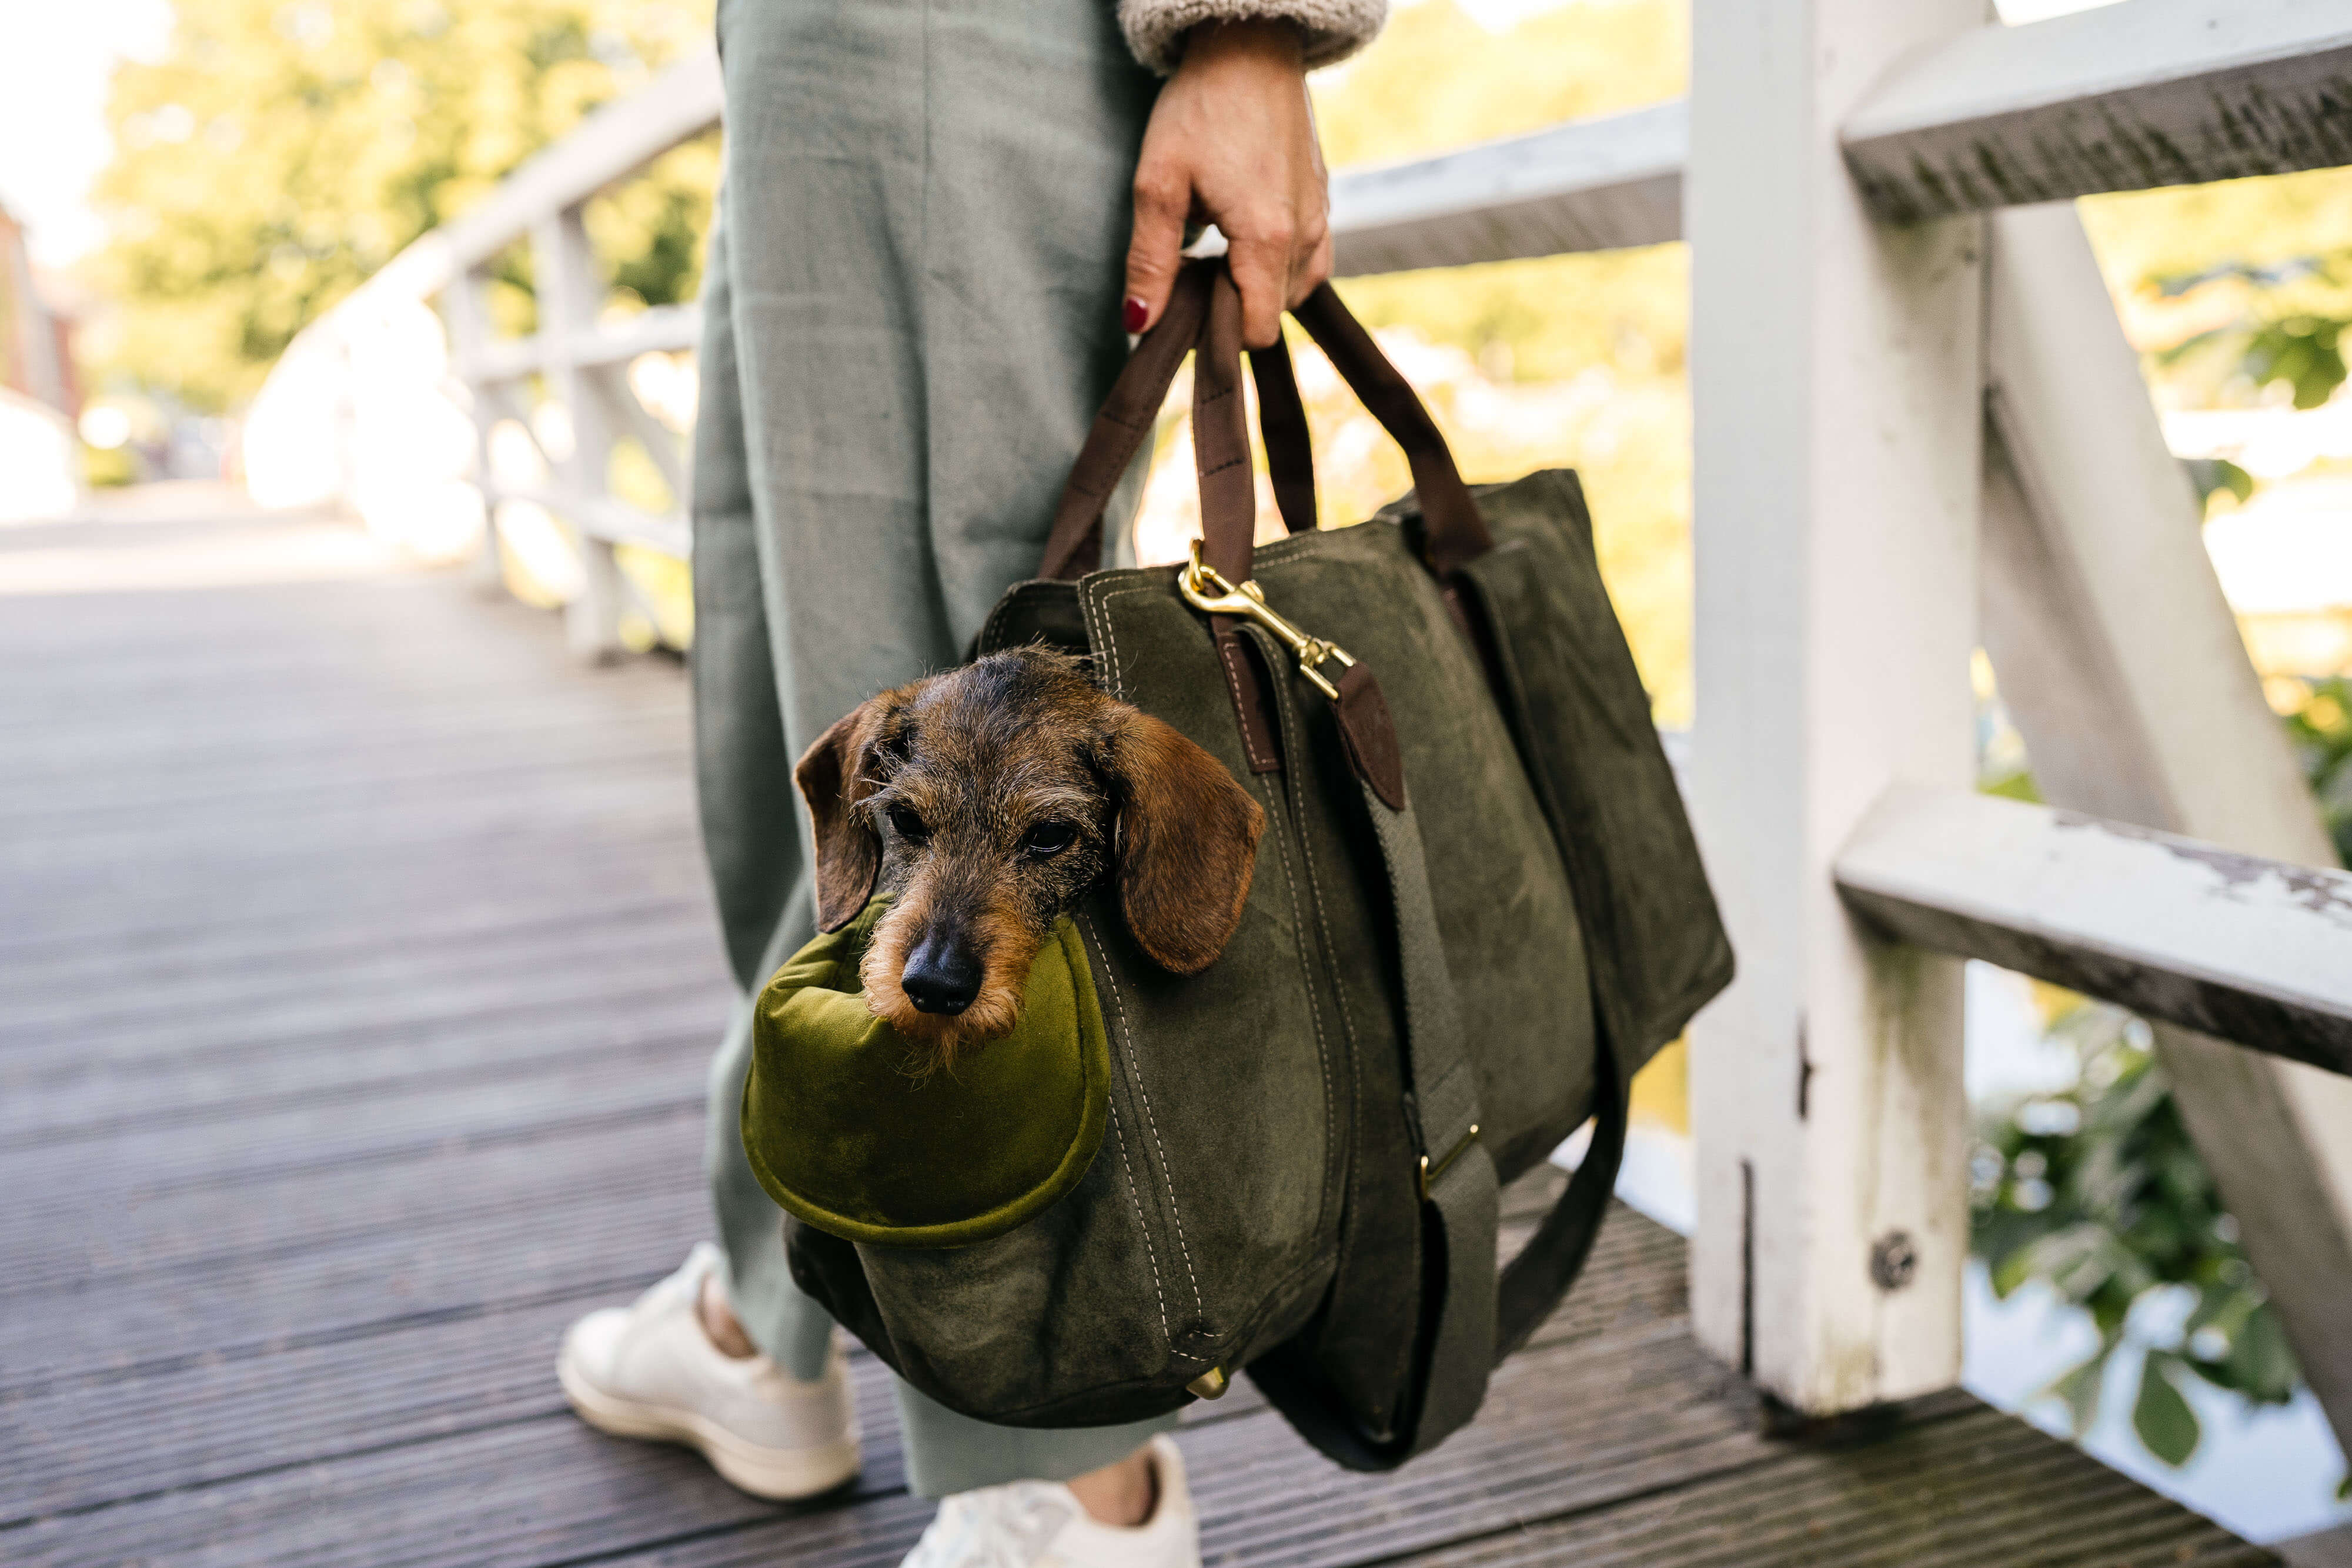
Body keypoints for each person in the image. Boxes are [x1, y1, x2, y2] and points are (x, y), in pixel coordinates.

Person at [555, 3, 1386, 1564]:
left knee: (969, 705)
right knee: (799, 733)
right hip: (799, 50)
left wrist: (1249, 28)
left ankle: (1067, 1480)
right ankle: (772, 1296)